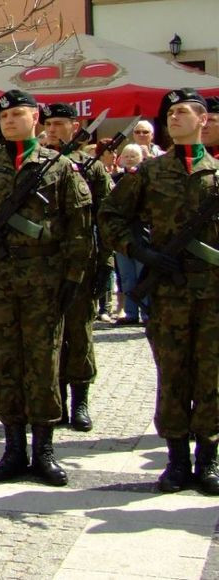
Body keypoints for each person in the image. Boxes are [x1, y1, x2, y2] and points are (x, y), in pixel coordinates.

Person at [100, 88, 219, 495]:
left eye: (184, 112)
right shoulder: (150, 173)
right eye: (170, 112)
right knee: (171, 375)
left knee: (212, 376)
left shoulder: (217, 174)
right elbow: (111, 216)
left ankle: (208, 459)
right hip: (168, 294)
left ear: (204, 120)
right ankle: (176, 460)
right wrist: (142, 251)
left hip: (213, 294)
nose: (175, 117)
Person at [0, 90, 92, 487]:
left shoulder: (58, 168)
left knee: (44, 363)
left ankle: (43, 448)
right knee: (5, 362)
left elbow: (79, 229)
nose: (9, 120)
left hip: (44, 283)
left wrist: (73, 281)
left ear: (36, 118)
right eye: (4, 115)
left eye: (18, 114)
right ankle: (12, 447)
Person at [41, 102, 111, 432]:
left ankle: (80, 400)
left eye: (59, 123)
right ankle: (52, 403)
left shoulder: (91, 167)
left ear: (75, 126)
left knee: (79, 334)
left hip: (82, 263)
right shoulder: (40, 165)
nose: (52, 129)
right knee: (48, 337)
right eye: (49, 124)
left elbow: (105, 220)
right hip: (45, 266)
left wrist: (105, 266)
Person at [112, 144, 148, 324]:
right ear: (121, 159)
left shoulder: (147, 179)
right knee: (126, 277)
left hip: (142, 235)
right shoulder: (115, 179)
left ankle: (147, 313)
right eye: (127, 155)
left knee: (143, 275)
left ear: (142, 158)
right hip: (121, 235)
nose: (130, 158)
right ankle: (131, 313)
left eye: (134, 155)